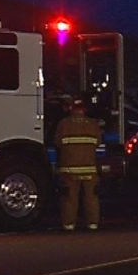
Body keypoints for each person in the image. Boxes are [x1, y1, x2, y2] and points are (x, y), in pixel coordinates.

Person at [54, 99, 103, 231]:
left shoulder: (63, 124)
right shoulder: (93, 124)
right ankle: (93, 223)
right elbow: (98, 142)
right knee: (91, 197)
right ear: (84, 109)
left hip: (69, 169)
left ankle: (69, 224)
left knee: (70, 197)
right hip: (89, 168)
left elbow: (57, 142)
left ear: (71, 109)